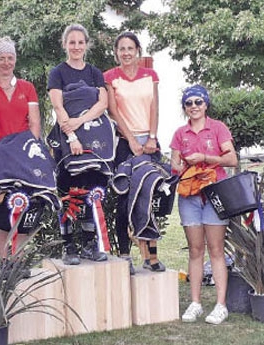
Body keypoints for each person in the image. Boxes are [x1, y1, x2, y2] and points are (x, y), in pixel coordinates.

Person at [170, 85, 238, 325]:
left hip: (215, 194)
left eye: (198, 102)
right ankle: (196, 303)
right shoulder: (180, 133)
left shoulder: (217, 128)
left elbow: (232, 159)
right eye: (189, 103)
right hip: (189, 197)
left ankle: (221, 305)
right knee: (195, 250)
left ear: (206, 104)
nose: (194, 107)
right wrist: (182, 167)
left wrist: (206, 159)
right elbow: (174, 165)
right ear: (185, 108)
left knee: (216, 250)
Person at [48, 24, 113, 265]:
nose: (76, 47)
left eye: (80, 42)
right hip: (67, 140)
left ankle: (89, 243)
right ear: (65, 45)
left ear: (86, 45)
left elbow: (102, 104)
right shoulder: (58, 73)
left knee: (91, 190)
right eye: (71, 42)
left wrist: (81, 121)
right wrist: (72, 136)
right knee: (69, 190)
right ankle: (69, 247)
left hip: (93, 139)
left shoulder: (95, 73)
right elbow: (58, 107)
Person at [0, 34, 42, 260]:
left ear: (15, 60)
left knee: (26, 205)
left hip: (24, 158)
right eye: (1, 58)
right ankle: (5, 261)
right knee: (2, 210)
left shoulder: (27, 87)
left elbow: (34, 122)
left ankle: (18, 258)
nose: (6, 62)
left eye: (10, 57)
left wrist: (30, 151)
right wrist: (0, 153)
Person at [104, 31, 163, 274]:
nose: (126, 53)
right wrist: (131, 140)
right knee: (124, 200)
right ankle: (125, 254)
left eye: (130, 48)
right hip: (124, 144)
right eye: (121, 49)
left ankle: (151, 256)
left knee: (150, 197)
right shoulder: (110, 77)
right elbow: (113, 111)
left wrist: (150, 137)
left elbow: (154, 106)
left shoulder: (151, 75)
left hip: (149, 142)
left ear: (137, 50)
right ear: (116, 53)